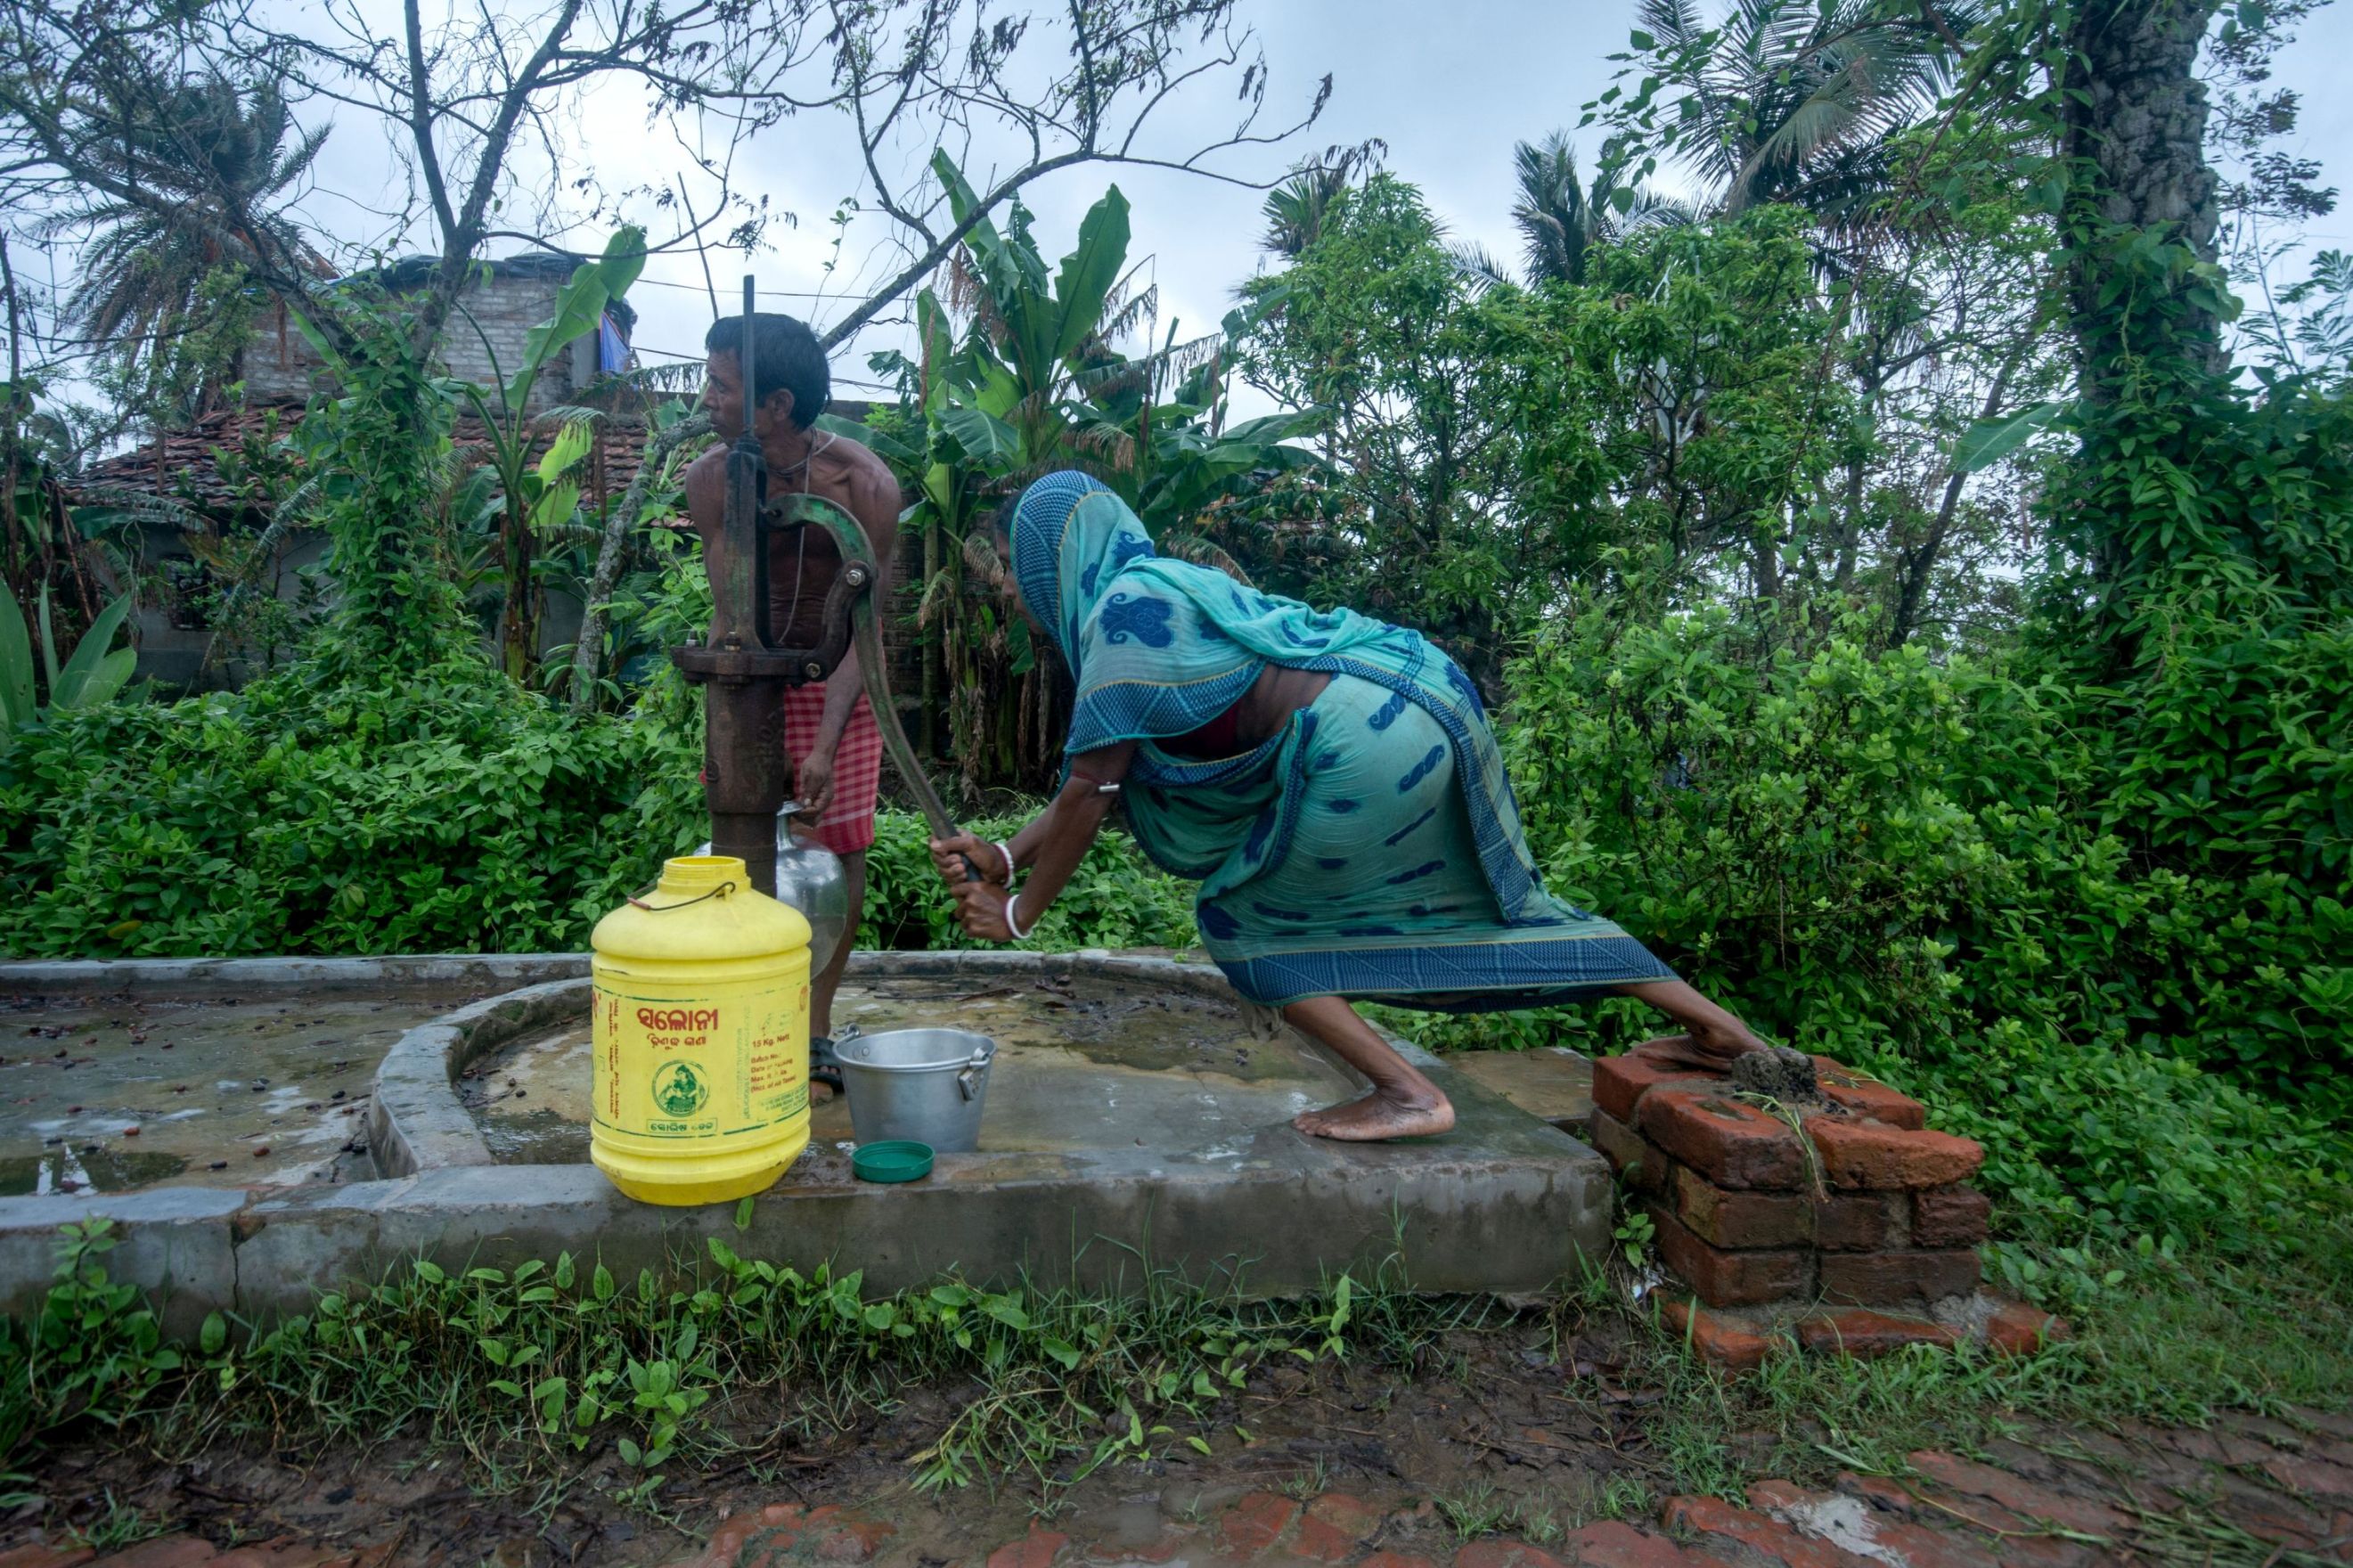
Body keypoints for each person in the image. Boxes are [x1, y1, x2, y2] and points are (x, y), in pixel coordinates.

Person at [927, 471, 1771, 1142]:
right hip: (1415, 696)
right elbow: (1118, 776)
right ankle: (1724, 1032)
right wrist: (1005, 857)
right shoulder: (1168, 586)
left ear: (1050, 563)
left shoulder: (1121, 617)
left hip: (1359, 738)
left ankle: (1406, 1094)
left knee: (1243, 930)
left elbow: (1093, 786)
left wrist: (1018, 913)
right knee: (1497, 916)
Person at [687, 313, 899, 1082]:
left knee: (835, 851)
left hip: (841, 673)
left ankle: (812, 1030)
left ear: (776, 405)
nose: (706, 398)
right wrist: (731, 711)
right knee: (741, 841)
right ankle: (742, 1013)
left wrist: (820, 746)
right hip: (748, 675)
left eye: (722, 386)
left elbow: (864, 627)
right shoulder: (711, 478)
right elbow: (725, 609)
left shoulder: (865, 485)